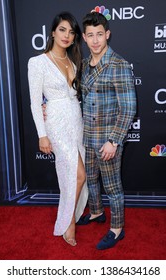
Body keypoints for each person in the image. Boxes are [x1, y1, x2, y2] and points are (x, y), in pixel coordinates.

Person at [77, 12, 137, 250]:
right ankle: (95, 212)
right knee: (91, 180)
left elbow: (129, 107)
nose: (95, 40)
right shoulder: (83, 64)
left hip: (108, 140)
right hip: (88, 135)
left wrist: (114, 141)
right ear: (83, 37)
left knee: (112, 187)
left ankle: (117, 228)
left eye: (99, 35)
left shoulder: (118, 65)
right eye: (90, 35)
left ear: (107, 35)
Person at [28, 12, 88, 247]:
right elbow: (35, 101)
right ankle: (68, 223)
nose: (67, 35)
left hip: (76, 120)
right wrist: (42, 134)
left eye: (71, 32)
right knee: (78, 175)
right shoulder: (37, 62)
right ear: (52, 32)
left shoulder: (73, 62)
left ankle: (67, 218)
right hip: (55, 122)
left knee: (70, 177)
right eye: (62, 29)